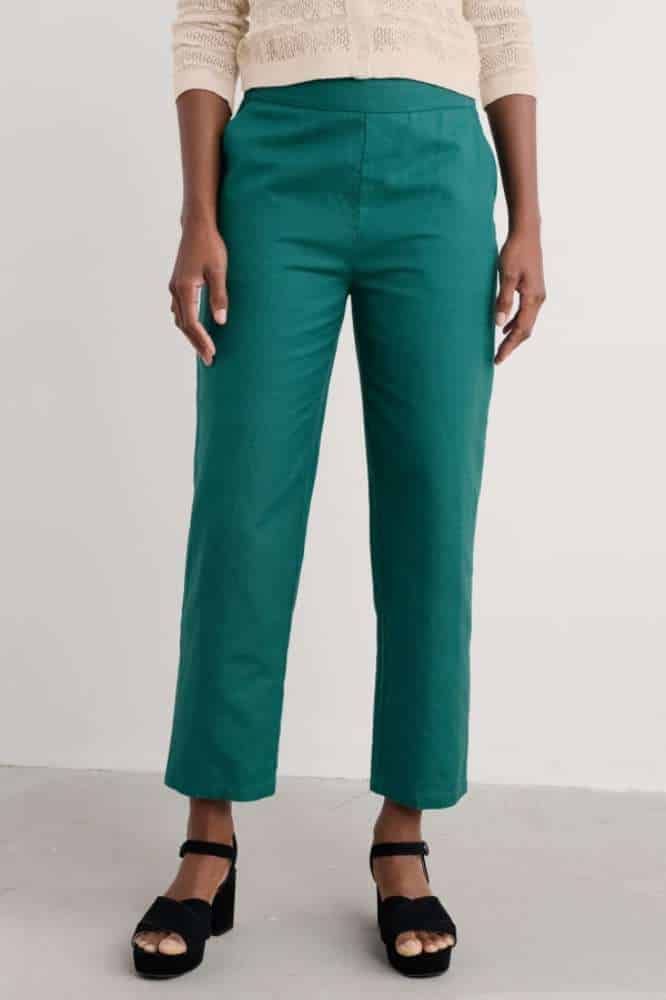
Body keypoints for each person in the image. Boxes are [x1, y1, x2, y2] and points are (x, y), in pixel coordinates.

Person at [132, 0, 545, 980]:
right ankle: (208, 838)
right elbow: (207, 24)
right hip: (274, 172)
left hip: (440, 175)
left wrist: (529, 220)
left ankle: (403, 833)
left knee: (431, 513)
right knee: (240, 510)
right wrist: (198, 212)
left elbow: (500, 26)